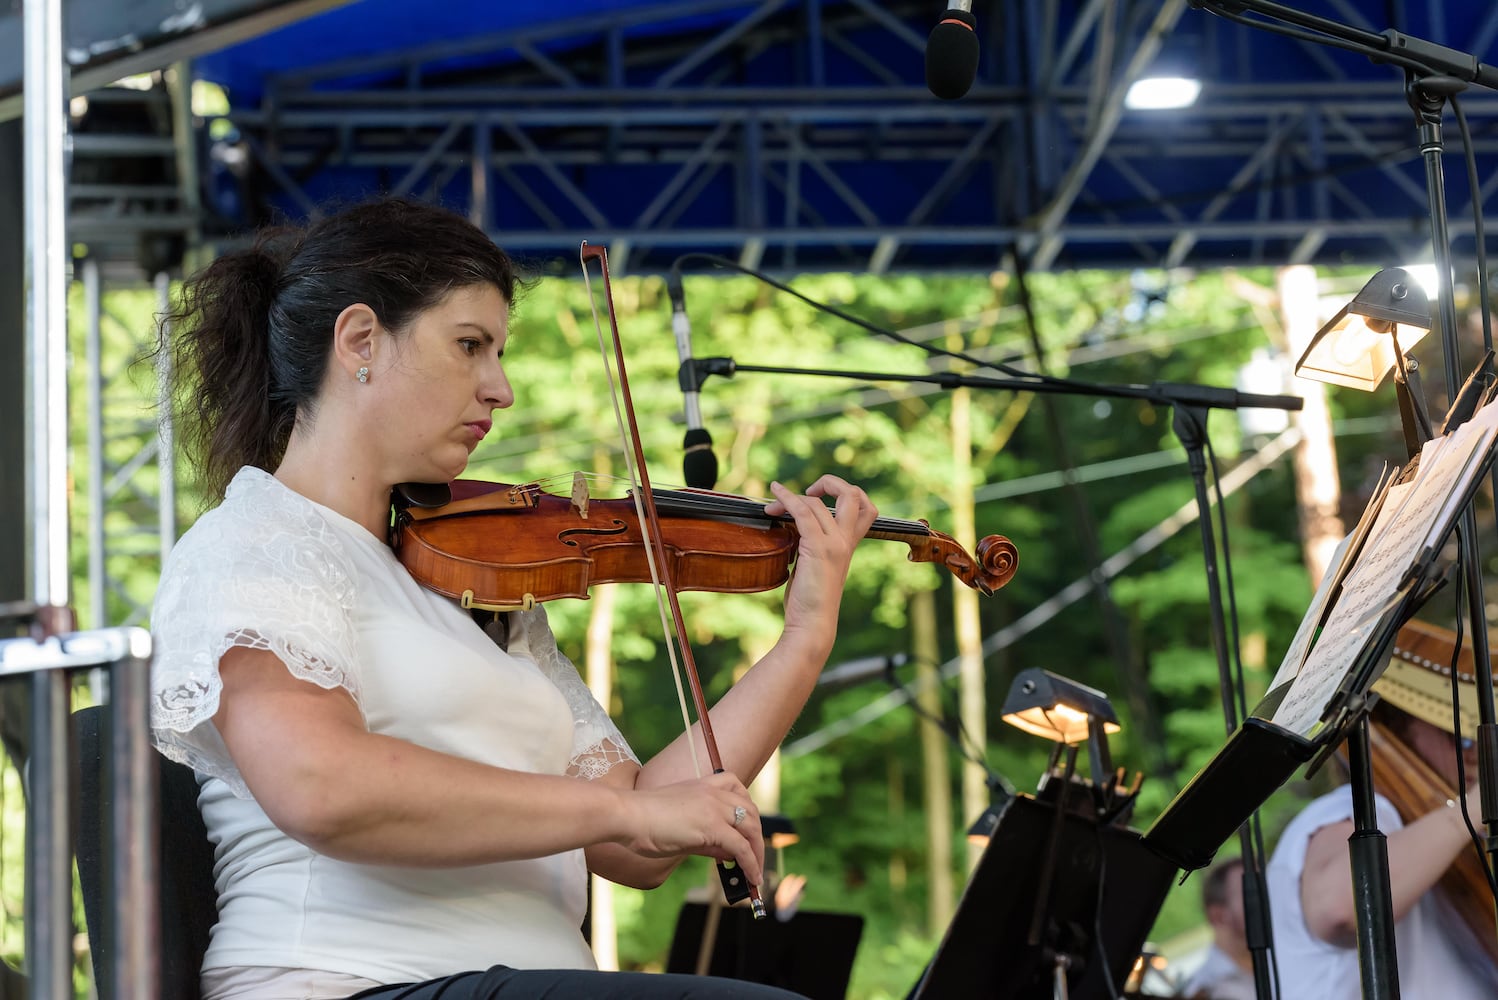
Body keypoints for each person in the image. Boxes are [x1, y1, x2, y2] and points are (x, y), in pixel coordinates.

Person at [147, 198, 879, 1000]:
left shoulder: (474, 585)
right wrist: (625, 818)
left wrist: (804, 637)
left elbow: (641, 835)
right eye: (470, 346)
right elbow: (321, 786)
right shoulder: (256, 541)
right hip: (345, 981)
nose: (501, 389)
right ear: (359, 341)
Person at [1263, 656, 1498, 999]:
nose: (1476, 752)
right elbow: (1340, 907)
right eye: (1457, 737)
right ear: (1400, 735)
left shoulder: (1429, 830)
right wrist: (1476, 805)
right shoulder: (1359, 810)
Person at [1180, 857, 1255, 1000]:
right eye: (1252, 893)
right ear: (1218, 916)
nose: (1269, 900)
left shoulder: (1281, 959)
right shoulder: (1208, 989)